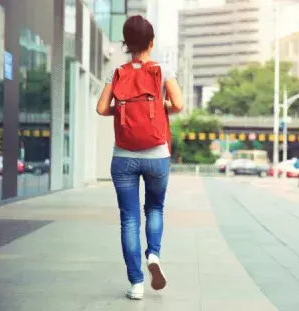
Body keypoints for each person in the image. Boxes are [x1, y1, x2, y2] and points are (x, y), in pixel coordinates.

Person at [96, 15, 183, 300]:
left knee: (129, 219)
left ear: (125, 43)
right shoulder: (162, 69)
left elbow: (101, 108)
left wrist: (121, 112)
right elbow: (179, 105)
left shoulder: (117, 73)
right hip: (157, 154)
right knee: (155, 208)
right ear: (151, 42)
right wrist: (161, 105)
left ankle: (136, 284)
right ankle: (154, 256)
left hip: (123, 156)